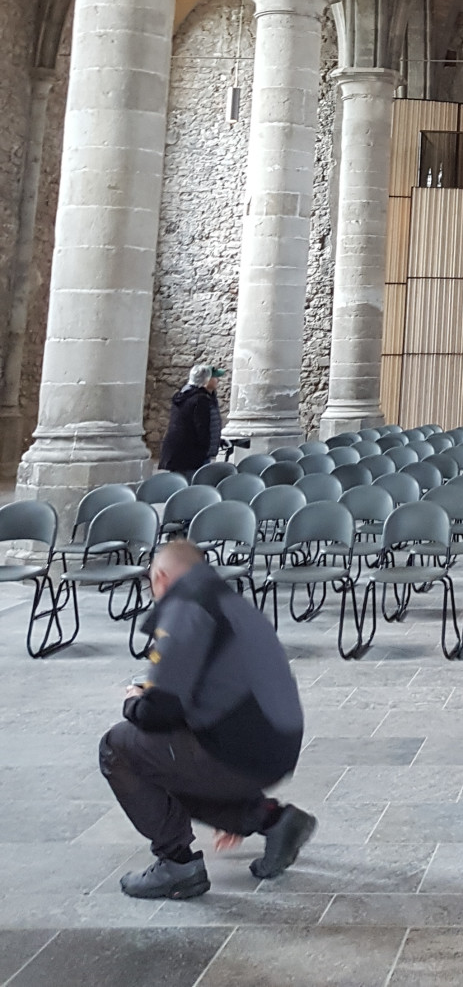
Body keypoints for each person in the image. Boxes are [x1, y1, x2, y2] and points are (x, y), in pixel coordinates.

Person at [99, 539, 315, 900]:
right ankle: (273, 821)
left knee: (120, 746)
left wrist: (134, 701)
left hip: (239, 754)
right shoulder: (230, 601)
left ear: (161, 578)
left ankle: (177, 864)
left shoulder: (187, 607)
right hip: (273, 746)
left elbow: (159, 711)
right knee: (167, 755)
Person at [158, 362, 225, 476]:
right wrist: (206, 448)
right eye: (214, 377)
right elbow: (201, 427)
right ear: (206, 381)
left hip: (182, 452)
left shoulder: (187, 395)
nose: (217, 380)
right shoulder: (200, 400)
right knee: (192, 488)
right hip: (191, 455)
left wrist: (217, 441)